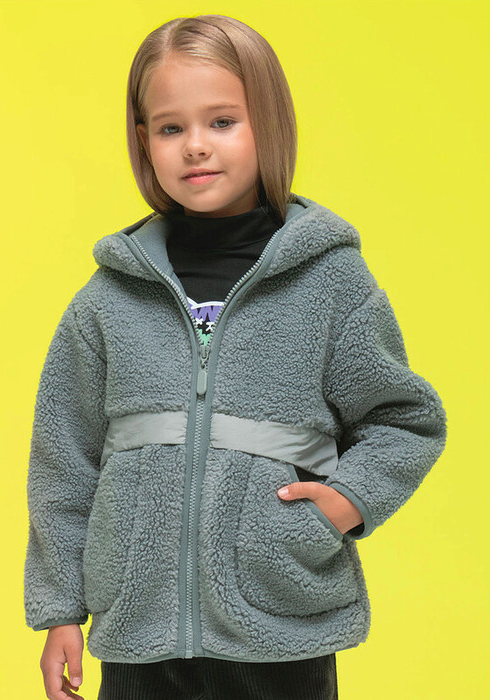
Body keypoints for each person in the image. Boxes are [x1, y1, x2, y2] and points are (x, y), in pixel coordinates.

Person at [23, 14, 448, 700]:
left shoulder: (329, 283)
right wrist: (60, 609)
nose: (195, 146)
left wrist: (344, 504)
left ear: (268, 125)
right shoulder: (108, 299)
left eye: (221, 121)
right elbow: (63, 463)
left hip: (280, 622)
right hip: (137, 628)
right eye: (171, 128)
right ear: (144, 141)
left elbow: (405, 420)